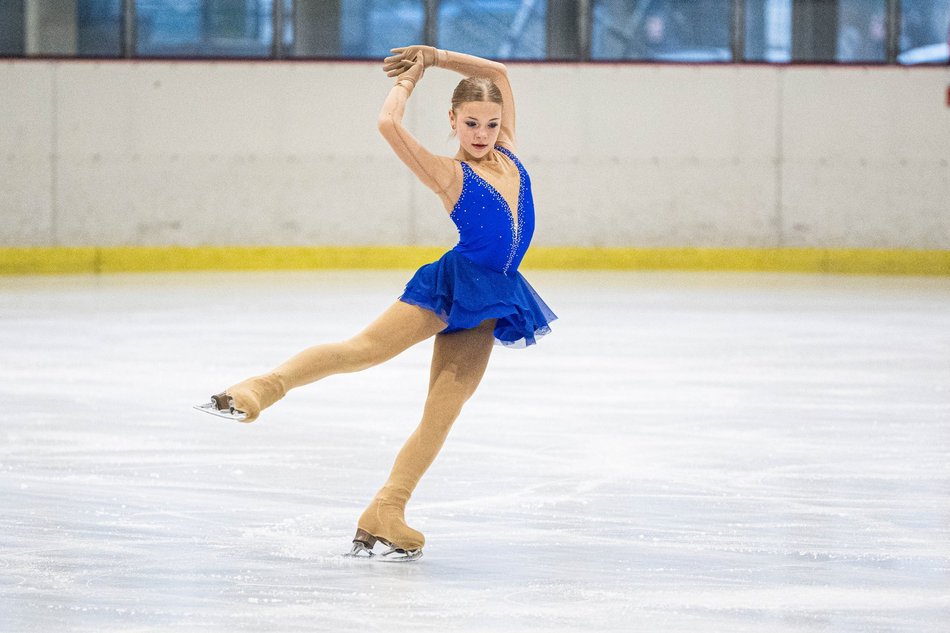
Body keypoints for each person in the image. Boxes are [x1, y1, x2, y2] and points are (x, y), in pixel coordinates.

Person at [195, 45, 556, 561]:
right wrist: (409, 80)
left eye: (491, 124)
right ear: (452, 121)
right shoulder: (448, 173)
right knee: (363, 350)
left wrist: (434, 55)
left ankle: (387, 508)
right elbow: (388, 125)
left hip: (495, 295)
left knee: (442, 412)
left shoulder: (510, 153)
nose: (482, 134)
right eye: (471, 123)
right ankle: (257, 388)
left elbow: (497, 71)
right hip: (453, 285)